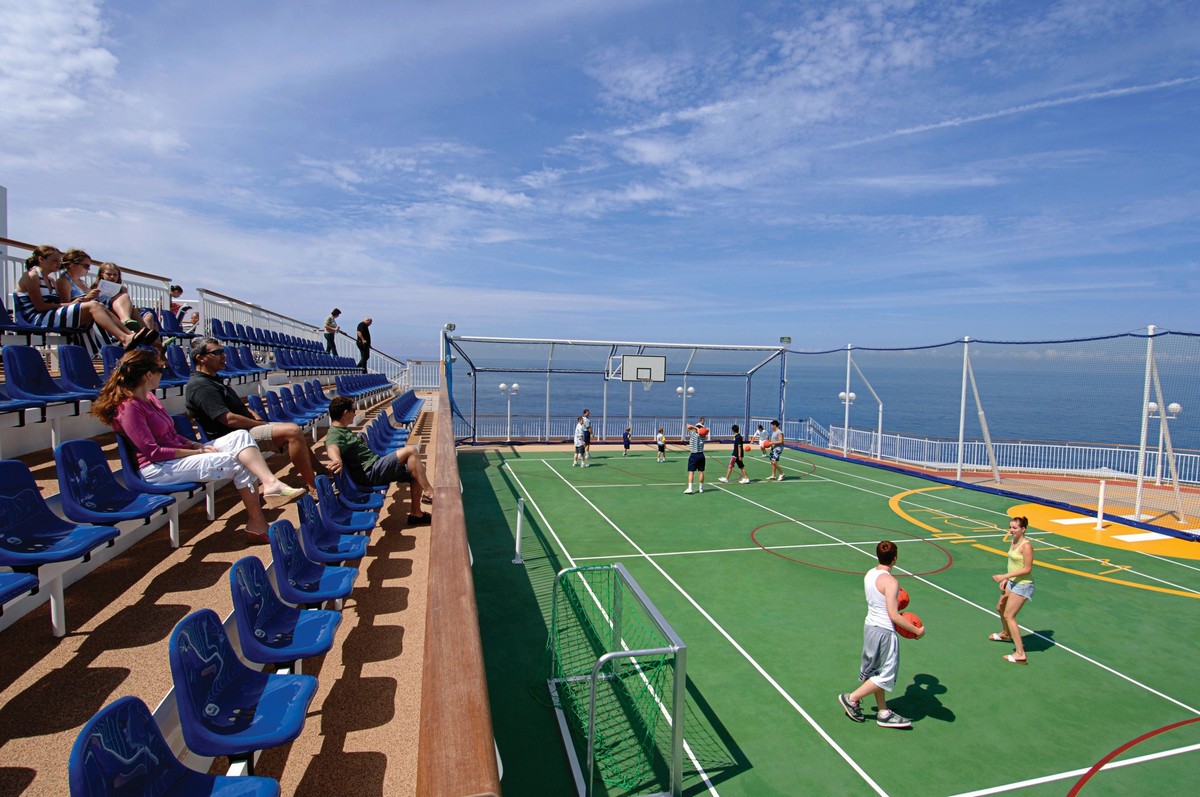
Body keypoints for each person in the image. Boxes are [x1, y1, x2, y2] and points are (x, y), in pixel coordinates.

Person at [92, 349, 303, 544]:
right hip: (157, 469)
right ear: (148, 374)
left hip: (176, 458)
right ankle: (257, 524)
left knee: (239, 437)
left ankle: (270, 483)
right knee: (237, 460)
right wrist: (197, 450)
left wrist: (194, 444)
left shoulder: (149, 399)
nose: (162, 374)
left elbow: (172, 434)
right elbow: (153, 452)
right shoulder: (128, 408)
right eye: (160, 370)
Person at [184, 337, 320, 491]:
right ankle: (313, 487)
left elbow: (241, 407)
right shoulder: (201, 386)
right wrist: (260, 424)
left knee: (293, 430)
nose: (223, 355)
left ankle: (321, 470)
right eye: (217, 352)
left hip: (243, 431)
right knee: (292, 431)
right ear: (200, 358)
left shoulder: (214, 380)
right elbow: (229, 419)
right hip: (231, 437)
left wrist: (257, 418)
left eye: (223, 351)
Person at [838, 540, 925, 729]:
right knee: (886, 675)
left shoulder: (870, 574)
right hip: (885, 631)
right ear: (895, 558)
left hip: (870, 626)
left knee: (876, 670)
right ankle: (851, 699)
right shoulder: (891, 582)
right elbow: (893, 615)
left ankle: (883, 711)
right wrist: (917, 630)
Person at [15, 245, 152, 354]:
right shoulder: (32, 276)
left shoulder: (50, 280)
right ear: (41, 259)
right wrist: (71, 304)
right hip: (38, 318)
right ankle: (124, 338)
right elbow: (39, 306)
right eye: (54, 260)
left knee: (99, 306)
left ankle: (130, 335)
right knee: (94, 306)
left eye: (59, 260)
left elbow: (54, 303)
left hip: (49, 314)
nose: (59, 263)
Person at [325, 396, 433, 525]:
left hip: (374, 467)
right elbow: (331, 446)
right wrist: (337, 459)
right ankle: (430, 493)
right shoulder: (334, 433)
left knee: (418, 469)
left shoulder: (342, 430)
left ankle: (416, 514)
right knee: (411, 451)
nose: (355, 413)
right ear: (345, 413)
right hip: (370, 472)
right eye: (354, 410)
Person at [989, 516, 1035, 664]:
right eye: (1010, 527)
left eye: (1015, 528)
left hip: (1023, 585)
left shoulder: (1026, 546)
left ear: (1023, 529)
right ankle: (1006, 634)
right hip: (1012, 582)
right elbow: (1013, 563)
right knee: (1000, 607)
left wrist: (1005, 576)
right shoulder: (1013, 541)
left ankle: (1020, 653)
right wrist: (1007, 580)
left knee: (1009, 616)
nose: (1011, 530)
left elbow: (1027, 569)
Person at [683, 417, 708, 494]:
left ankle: (690, 488)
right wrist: (700, 429)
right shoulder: (703, 436)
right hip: (701, 455)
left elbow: (688, 426)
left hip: (693, 455)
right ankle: (701, 488)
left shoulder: (693, 434)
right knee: (701, 472)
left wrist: (695, 427)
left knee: (691, 472)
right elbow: (707, 430)